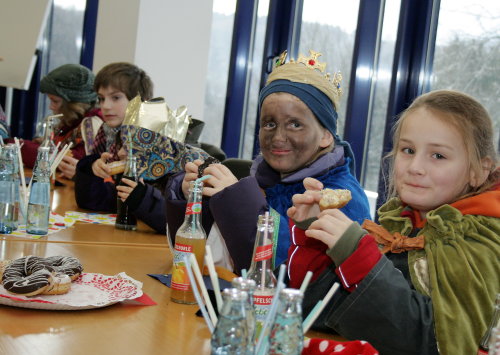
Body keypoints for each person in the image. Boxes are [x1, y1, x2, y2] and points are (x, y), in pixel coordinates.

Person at [287, 90, 500, 355]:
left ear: (479, 169)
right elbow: (318, 313)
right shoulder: (399, 225)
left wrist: (358, 256)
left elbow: (430, 345)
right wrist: (315, 231)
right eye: (408, 150)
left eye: (438, 156)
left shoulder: (479, 242)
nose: (415, 167)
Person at [165, 50, 371, 273]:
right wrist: (193, 200)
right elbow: (203, 257)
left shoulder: (340, 199)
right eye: (269, 124)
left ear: (325, 135)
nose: (279, 137)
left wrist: (236, 200)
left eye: (295, 124)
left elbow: (294, 273)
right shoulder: (265, 183)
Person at [74, 62, 154, 211]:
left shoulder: (155, 140)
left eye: (115, 98)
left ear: (137, 101)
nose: (105, 106)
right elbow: (102, 202)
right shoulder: (107, 131)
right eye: (101, 99)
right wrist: (92, 171)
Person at [21, 64, 100, 178]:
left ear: (74, 103)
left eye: (55, 101)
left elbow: (65, 160)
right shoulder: (71, 121)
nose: (51, 107)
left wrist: (18, 146)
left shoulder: (91, 124)